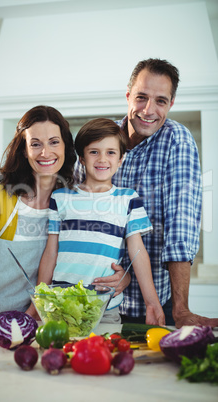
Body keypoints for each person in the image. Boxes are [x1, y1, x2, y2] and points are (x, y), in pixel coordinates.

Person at [75, 58, 218, 328]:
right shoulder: (99, 142)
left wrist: (181, 309)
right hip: (93, 297)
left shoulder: (177, 139)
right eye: (141, 97)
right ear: (128, 96)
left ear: (171, 104)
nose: (149, 110)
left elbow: (181, 226)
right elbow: (78, 218)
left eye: (161, 101)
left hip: (151, 306)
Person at [0, 105, 76, 341]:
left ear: (65, 146)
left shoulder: (69, 203)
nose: (45, 152)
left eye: (54, 142)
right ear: (23, 150)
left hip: (30, 327)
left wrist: (30, 317)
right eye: (35, 144)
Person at [37, 118, 165, 325]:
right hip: (60, 304)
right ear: (82, 158)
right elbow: (51, 252)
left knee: (104, 356)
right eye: (94, 152)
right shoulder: (60, 198)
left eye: (111, 152)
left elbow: (138, 252)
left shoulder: (128, 199)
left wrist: (152, 303)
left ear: (121, 159)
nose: (102, 159)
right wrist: (39, 300)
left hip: (105, 307)